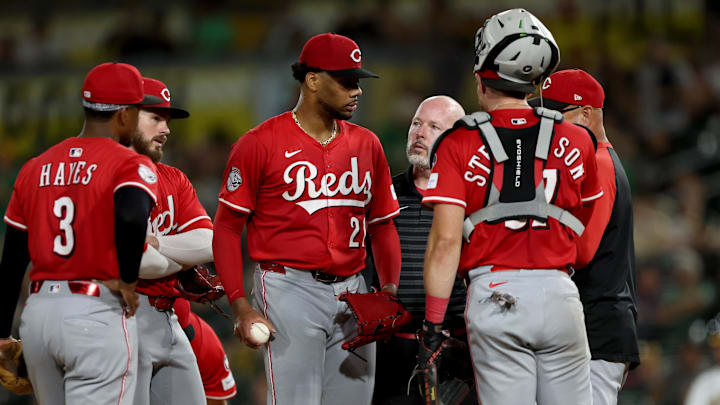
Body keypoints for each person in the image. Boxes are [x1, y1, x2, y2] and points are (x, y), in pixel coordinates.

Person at [419, 9, 602, 405]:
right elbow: (584, 241)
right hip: (560, 294)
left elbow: (445, 244)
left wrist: (433, 327)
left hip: (495, 295)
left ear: (481, 74)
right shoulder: (579, 139)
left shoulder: (456, 143)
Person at [213, 32, 402, 404]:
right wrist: (239, 304)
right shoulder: (259, 143)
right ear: (313, 80)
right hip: (289, 289)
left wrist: (388, 292)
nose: (357, 91)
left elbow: (382, 225)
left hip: (354, 293)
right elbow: (227, 227)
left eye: (358, 82)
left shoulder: (368, 143)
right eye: (347, 81)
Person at [0, 62, 161, 404]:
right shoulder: (129, 162)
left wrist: (1, 333)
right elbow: (133, 217)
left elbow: (12, 259)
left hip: (38, 315)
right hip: (95, 311)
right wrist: (129, 280)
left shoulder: (34, 167)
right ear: (124, 115)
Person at [529, 68, 640, 405]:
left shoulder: (600, 162)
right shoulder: (590, 159)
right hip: (592, 322)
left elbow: (583, 251)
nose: (546, 122)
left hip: (600, 327)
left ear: (586, 114)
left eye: (554, 113)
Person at [128, 77, 237, 405]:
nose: (166, 129)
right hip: (121, 314)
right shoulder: (109, 175)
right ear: (126, 117)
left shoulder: (173, 178)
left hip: (170, 315)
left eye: (168, 121)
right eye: (156, 118)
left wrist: (156, 242)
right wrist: (178, 251)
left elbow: (211, 242)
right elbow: (139, 264)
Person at [365, 95, 470, 405]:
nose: (420, 133)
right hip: (392, 353)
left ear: (457, 137)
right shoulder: (383, 195)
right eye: (416, 123)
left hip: (459, 352)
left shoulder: (474, 196)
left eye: (434, 126)